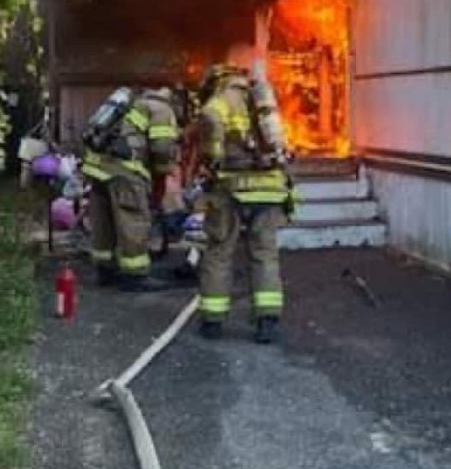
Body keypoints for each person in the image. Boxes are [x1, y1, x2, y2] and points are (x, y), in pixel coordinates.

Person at [196, 47, 292, 344]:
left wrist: (211, 157)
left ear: (217, 80)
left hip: (233, 189)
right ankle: (268, 323)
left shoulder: (221, 99)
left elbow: (210, 119)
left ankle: (212, 321)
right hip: (270, 187)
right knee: (264, 253)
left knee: (220, 251)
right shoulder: (261, 100)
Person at [81, 86, 180, 290]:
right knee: (133, 220)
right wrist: (164, 171)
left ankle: (105, 270)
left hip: (98, 167)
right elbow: (162, 148)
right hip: (125, 170)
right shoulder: (161, 109)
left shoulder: (132, 104)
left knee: (103, 220)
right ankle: (135, 276)